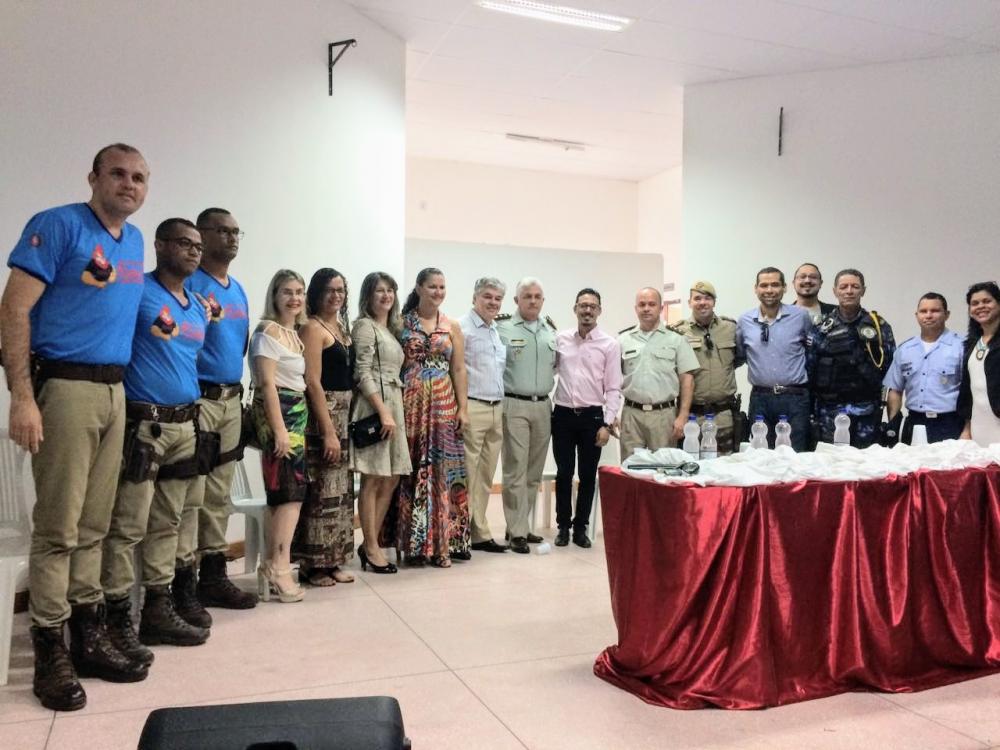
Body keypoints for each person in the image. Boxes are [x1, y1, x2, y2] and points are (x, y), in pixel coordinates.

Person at [1, 144, 148, 711]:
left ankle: (88, 636)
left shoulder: (133, 242)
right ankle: (50, 647)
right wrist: (21, 396)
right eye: (118, 173)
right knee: (59, 526)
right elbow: (13, 310)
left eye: (139, 177)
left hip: (115, 392)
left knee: (95, 524)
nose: (128, 184)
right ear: (93, 177)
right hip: (63, 388)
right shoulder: (57, 225)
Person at [102, 218, 210, 658]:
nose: (192, 251)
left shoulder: (198, 306)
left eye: (197, 246)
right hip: (144, 425)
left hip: (186, 425)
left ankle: (158, 610)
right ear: (160, 245)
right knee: (127, 526)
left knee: (169, 522)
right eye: (183, 243)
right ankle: (115, 618)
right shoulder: (138, 292)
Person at [181, 207, 256, 612]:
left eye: (235, 231)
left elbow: (238, 346)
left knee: (218, 494)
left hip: (230, 400)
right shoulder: (190, 283)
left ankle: (213, 575)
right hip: (198, 400)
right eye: (222, 231)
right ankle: (182, 581)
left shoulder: (238, 289)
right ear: (201, 235)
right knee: (192, 493)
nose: (231, 238)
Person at [396, 268, 470, 566]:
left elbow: (459, 369)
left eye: (442, 287)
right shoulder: (401, 323)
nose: (438, 292)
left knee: (444, 472)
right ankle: (414, 545)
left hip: (443, 405)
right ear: (418, 288)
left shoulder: (451, 325)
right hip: (411, 405)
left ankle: (444, 545)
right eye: (432, 286)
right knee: (412, 470)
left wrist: (463, 408)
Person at [248, 270, 309, 602]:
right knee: (287, 496)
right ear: (275, 295)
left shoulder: (292, 333)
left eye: (299, 292)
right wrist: (281, 431)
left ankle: (273, 563)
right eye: (287, 292)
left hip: (296, 414)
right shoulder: (267, 332)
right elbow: (267, 384)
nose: (295, 298)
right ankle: (279, 569)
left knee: (288, 494)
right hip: (280, 417)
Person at [293, 268, 355, 586]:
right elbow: (312, 382)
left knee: (340, 493)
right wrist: (328, 430)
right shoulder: (312, 328)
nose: (336, 296)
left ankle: (333, 559)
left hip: (345, 415)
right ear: (317, 293)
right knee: (321, 493)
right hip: (324, 415)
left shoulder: (342, 328)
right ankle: (312, 564)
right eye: (330, 290)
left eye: (341, 290)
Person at [552, 288, 622, 549]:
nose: (587, 310)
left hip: (593, 416)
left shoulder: (609, 345)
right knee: (564, 473)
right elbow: (551, 370)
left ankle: (581, 528)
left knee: (587, 475)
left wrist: (607, 422)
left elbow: (614, 388)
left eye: (593, 306)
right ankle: (563, 527)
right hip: (562, 415)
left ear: (599, 311)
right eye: (583, 305)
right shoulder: (560, 340)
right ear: (575, 309)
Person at [351, 272, 411, 574]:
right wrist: (382, 411)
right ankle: (371, 546)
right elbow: (362, 371)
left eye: (390, 290)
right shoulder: (364, 326)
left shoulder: (393, 328)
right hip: (376, 404)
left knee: (392, 477)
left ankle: (370, 543)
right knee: (373, 477)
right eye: (379, 291)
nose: (386, 296)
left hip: (394, 402)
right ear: (368, 296)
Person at [496, 277, 556, 554]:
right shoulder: (503, 328)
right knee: (515, 468)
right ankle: (516, 531)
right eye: (527, 296)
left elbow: (555, 367)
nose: (533, 300)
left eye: (537, 296)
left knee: (534, 472)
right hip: (515, 404)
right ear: (516, 300)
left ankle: (521, 525)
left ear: (543, 300)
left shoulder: (549, 330)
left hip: (543, 405)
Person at [808, 269, 896, 448]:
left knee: (865, 467)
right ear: (835, 291)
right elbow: (810, 369)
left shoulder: (878, 327)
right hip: (829, 411)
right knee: (831, 467)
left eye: (855, 287)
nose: (849, 291)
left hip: (867, 411)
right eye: (844, 287)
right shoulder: (822, 328)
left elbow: (890, 369)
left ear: (863, 290)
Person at [736, 267, 813, 451]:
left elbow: (812, 352)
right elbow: (740, 355)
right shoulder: (745, 321)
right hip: (760, 398)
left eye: (775, 285)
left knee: (796, 455)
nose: (769, 290)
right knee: (760, 456)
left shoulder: (800, 316)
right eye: (764, 285)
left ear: (785, 288)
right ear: (756, 289)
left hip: (795, 398)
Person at [618, 287, 698, 459]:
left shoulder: (677, 339)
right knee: (631, 470)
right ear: (635, 309)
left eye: (652, 304)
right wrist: (611, 414)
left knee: (664, 469)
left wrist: (683, 415)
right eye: (642, 304)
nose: (646, 308)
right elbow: (611, 380)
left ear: (661, 308)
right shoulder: (622, 340)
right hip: (631, 415)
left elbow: (687, 380)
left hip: (665, 416)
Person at [460, 278, 509, 554]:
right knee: (468, 474)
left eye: (497, 298)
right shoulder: (462, 328)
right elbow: (456, 370)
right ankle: (460, 533)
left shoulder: (495, 331)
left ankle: (478, 531)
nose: (493, 302)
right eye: (487, 297)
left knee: (486, 476)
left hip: (495, 408)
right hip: (473, 407)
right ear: (475, 298)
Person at [883, 293, 965, 444]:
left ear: (946, 315)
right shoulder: (905, 349)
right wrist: (894, 422)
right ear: (916, 315)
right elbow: (895, 389)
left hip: (949, 423)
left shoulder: (961, 347)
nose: (928, 315)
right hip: (914, 422)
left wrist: (967, 429)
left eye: (935, 311)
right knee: (914, 467)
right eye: (923, 311)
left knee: (948, 467)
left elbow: (970, 393)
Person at [671, 281, 742, 455]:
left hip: (724, 415)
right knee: (691, 467)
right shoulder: (678, 332)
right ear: (689, 303)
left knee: (726, 468)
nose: (702, 302)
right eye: (697, 298)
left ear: (714, 302)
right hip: (692, 416)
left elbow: (738, 359)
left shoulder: (730, 328)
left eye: (707, 298)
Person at [959, 281, 1000, 446]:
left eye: (987, 301)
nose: (980, 306)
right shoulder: (971, 344)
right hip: (978, 427)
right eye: (975, 303)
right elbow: (969, 391)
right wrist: (967, 429)